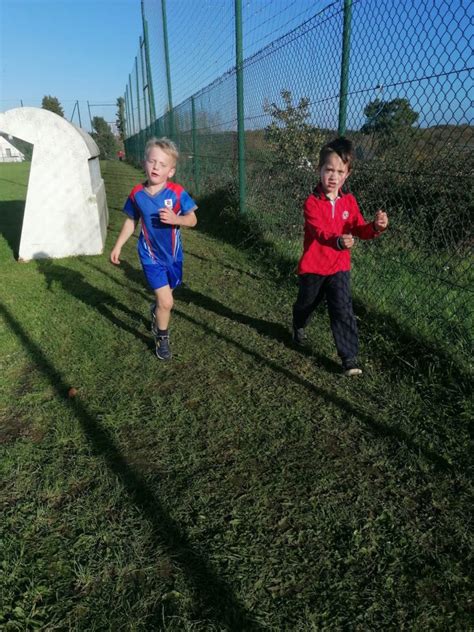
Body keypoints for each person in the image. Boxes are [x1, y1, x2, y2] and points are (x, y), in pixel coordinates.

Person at [292, 137, 388, 376]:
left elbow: (359, 229)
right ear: (319, 170)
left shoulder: (349, 201)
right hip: (314, 267)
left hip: (339, 267)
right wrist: (337, 240)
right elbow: (320, 232)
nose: (333, 176)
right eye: (329, 170)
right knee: (306, 303)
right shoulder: (312, 203)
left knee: (342, 309)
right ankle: (298, 324)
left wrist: (375, 227)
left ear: (347, 174)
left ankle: (349, 358)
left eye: (339, 171)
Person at [110, 137, 198, 360]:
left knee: (166, 297)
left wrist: (176, 219)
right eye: (152, 161)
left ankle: (156, 309)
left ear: (170, 171)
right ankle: (162, 337)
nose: (156, 167)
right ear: (144, 163)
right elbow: (131, 221)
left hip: (173, 257)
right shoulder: (137, 194)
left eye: (162, 164)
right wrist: (118, 246)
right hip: (150, 257)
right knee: (167, 302)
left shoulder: (177, 193)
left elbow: (193, 220)